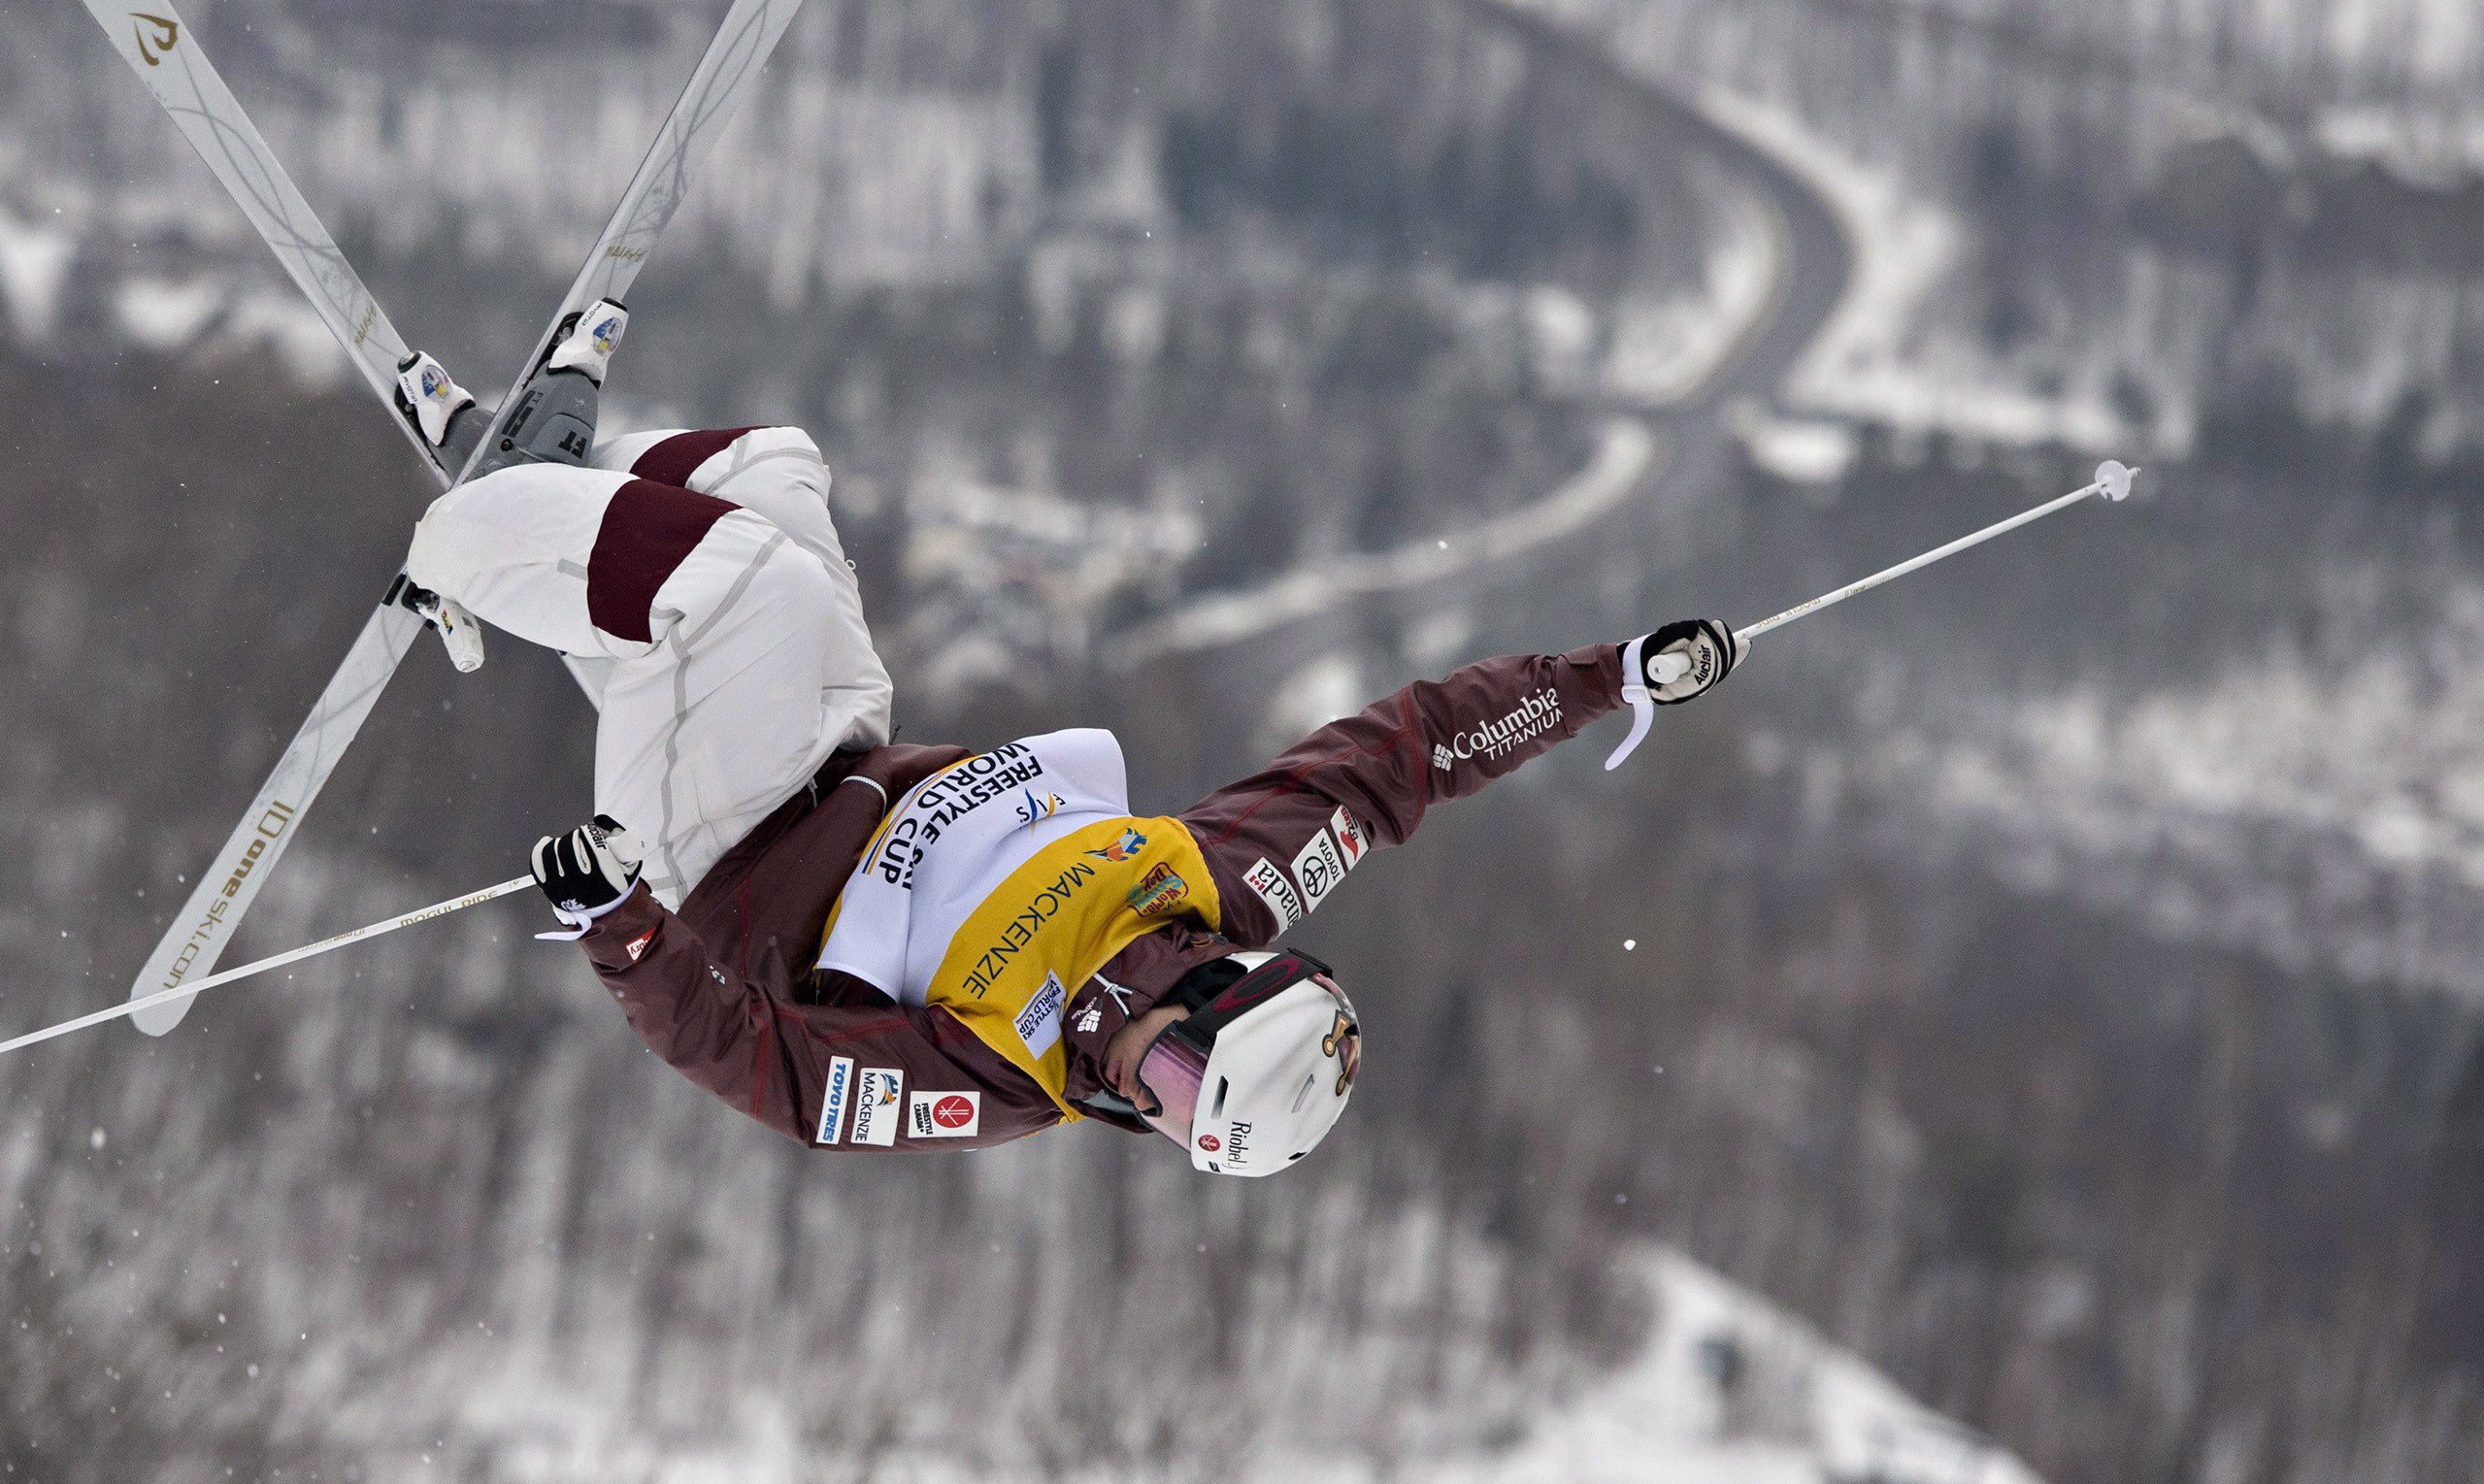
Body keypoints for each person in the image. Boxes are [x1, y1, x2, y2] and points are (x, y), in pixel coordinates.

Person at [399, 422, 1738, 1173]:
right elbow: (1406, 758)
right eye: (1168, 1068)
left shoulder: (1003, 1071)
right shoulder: (1226, 883)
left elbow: (765, 1067)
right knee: (765, 469)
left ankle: (463, 537)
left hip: (716, 845)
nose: (1128, 1086)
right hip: (839, 744)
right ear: (1224, 980)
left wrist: (624, 928)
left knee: (758, 583)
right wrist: (1606, 677)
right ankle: (564, 488)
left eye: (1158, 1116)